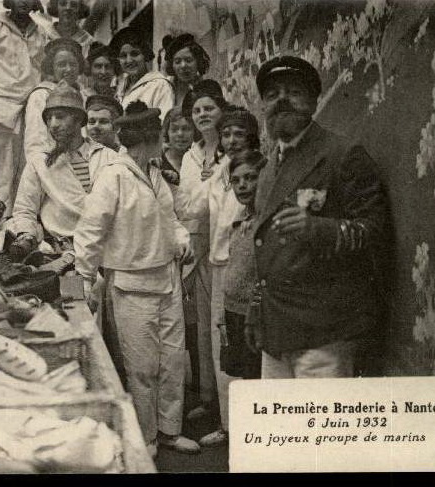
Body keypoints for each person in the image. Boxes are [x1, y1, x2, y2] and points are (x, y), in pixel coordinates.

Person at [74, 101, 200, 457]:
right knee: (142, 367)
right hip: (131, 283)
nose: (163, 141)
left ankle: (170, 430)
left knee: (173, 362)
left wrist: (181, 240)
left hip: (168, 279)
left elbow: (169, 218)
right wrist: (85, 278)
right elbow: (90, 229)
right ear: (148, 138)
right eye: (159, 136)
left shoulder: (156, 174)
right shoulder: (113, 176)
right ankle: (146, 437)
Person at [250, 55, 388, 378]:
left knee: (320, 426)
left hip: (325, 332)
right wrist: (256, 312)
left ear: (313, 102)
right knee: (279, 427)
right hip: (277, 331)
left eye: (293, 92)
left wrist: (316, 228)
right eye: (272, 96)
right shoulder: (270, 168)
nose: (281, 101)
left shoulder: (342, 154)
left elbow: (375, 231)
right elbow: (264, 248)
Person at [174, 105, 261, 447]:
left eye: (239, 133)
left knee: (242, 346)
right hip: (217, 263)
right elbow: (197, 209)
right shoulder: (222, 170)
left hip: (246, 265)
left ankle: (244, 425)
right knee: (220, 343)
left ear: (251, 136)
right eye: (226, 134)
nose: (232, 139)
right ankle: (225, 418)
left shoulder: (259, 169)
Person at [9, 81, 117, 257]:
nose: (53, 124)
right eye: (49, 119)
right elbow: (24, 210)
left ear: (78, 120)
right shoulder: (40, 162)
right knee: (73, 284)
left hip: (107, 249)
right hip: (62, 252)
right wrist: (27, 235)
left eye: (59, 117)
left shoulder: (107, 157)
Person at [175, 79, 228, 424]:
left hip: (224, 248)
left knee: (224, 329)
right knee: (204, 330)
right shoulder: (191, 156)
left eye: (209, 108)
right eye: (196, 110)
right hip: (198, 247)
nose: (202, 114)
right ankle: (210, 402)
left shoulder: (230, 148)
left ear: (221, 110)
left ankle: (230, 414)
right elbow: (184, 202)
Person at [0, 0, 50, 214]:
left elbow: (45, 69)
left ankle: (22, 224)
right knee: (2, 173)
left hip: (31, 108)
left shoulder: (40, 31)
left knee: (28, 170)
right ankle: (0, 224)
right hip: (0, 109)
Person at [222, 149, 265, 385]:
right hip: (234, 313)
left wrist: (255, 310)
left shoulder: (265, 222)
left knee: (258, 380)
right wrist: (222, 315)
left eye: (250, 178)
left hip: (254, 315)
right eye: (236, 180)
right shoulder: (240, 220)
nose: (242, 186)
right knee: (244, 379)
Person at [24, 38, 86, 161]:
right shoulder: (41, 95)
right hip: (54, 163)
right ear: (52, 68)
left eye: (73, 64)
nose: (68, 69)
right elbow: (35, 142)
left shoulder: (83, 95)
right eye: (61, 64)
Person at [110, 27, 174, 121]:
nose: (129, 60)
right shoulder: (120, 87)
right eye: (123, 56)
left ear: (145, 55)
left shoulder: (159, 85)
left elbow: (165, 123)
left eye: (134, 54)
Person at [164, 33, 212, 110]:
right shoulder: (165, 87)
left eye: (188, 60)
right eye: (177, 62)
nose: (183, 65)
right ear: (172, 65)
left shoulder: (208, 88)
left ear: (198, 62)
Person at [159, 106, 196, 187]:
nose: (180, 134)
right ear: (167, 132)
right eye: (174, 129)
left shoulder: (198, 160)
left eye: (186, 129)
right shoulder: (158, 161)